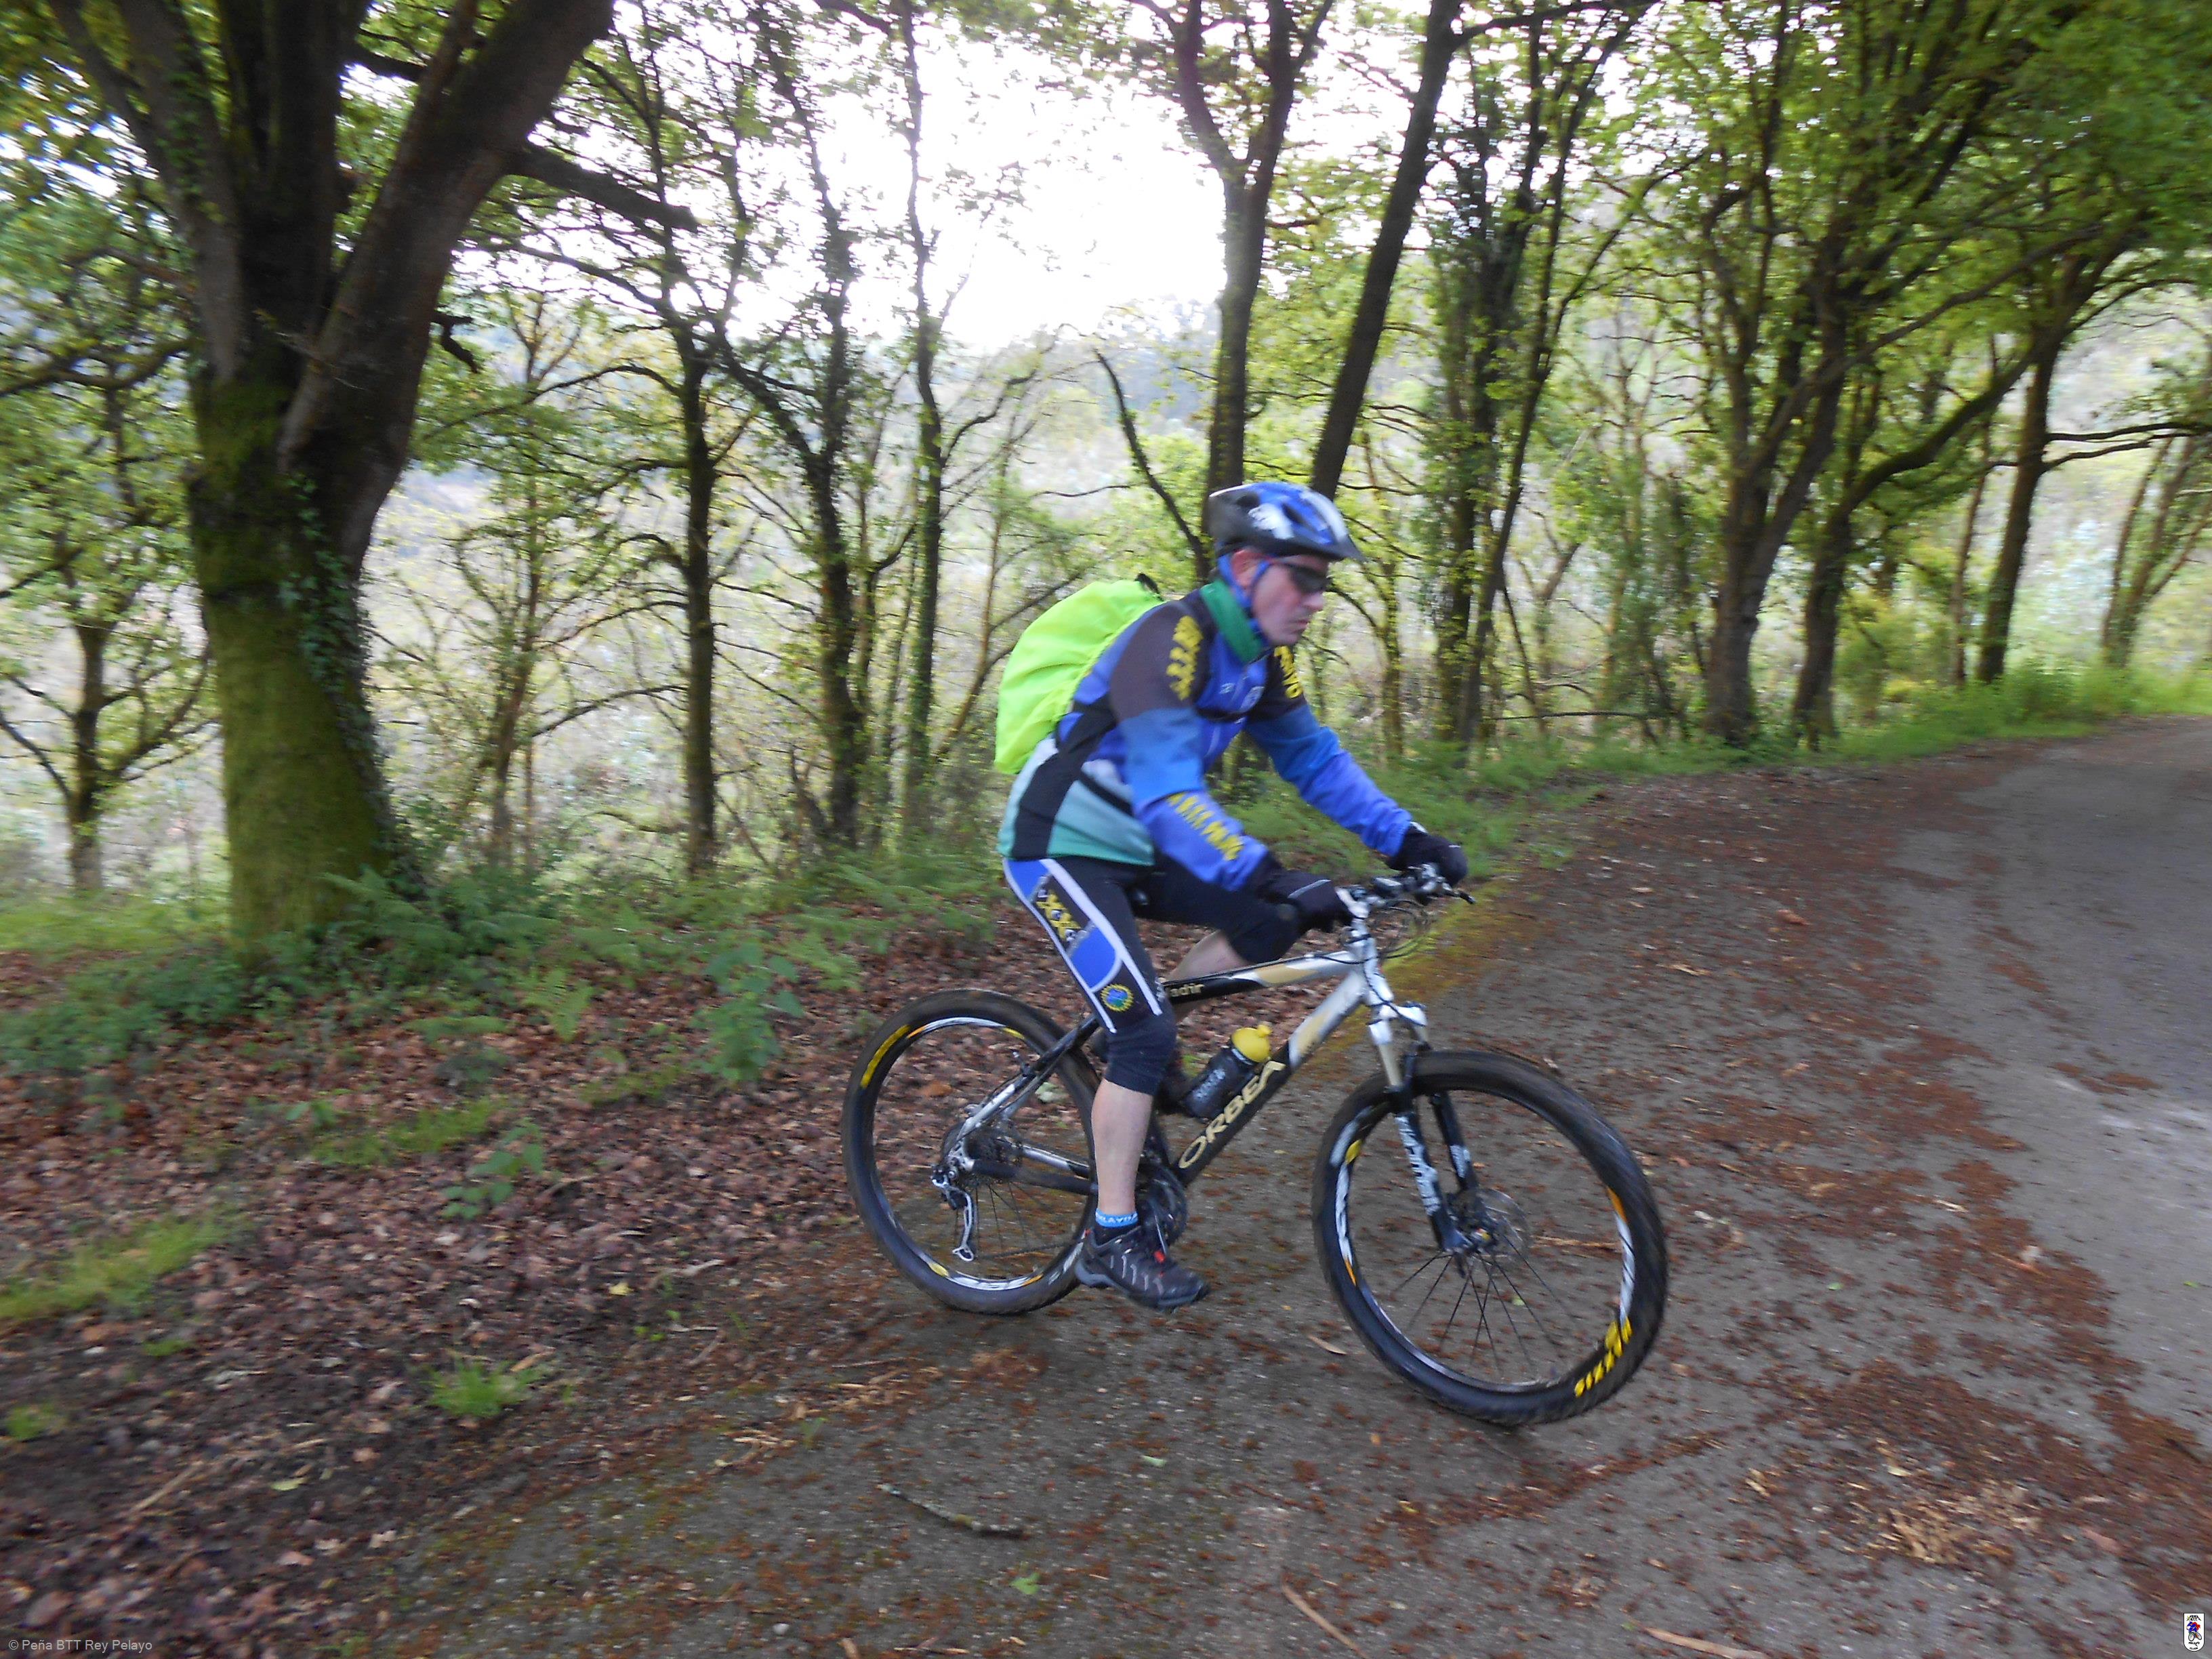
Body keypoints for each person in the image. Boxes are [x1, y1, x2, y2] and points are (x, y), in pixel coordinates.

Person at [998, 481, 1469, 1309]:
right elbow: (1167, 793)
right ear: (1246, 567)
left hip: (1139, 846)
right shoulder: (1168, 642)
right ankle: (1111, 1237)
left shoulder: (1262, 661)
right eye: (1304, 577)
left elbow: (1314, 761)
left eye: (1326, 581)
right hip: (1060, 844)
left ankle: (1140, 1059)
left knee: (1270, 922)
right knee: (1146, 1028)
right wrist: (1261, 866)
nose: (1317, 598)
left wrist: (1409, 840)